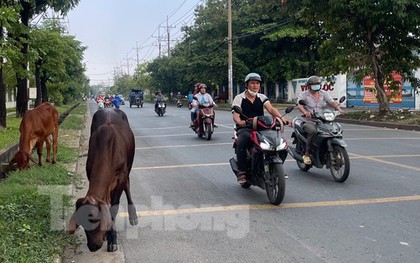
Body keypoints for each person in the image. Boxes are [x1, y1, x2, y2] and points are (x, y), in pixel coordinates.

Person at [232, 73, 290, 184]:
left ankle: (277, 168)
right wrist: (240, 121)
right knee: (242, 141)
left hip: (262, 127)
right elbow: (236, 114)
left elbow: (271, 109)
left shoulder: (262, 97)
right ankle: (242, 171)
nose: (255, 86)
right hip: (246, 127)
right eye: (252, 83)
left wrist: (281, 119)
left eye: (257, 83)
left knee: (282, 145)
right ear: (247, 84)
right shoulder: (239, 98)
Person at [297, 75, 346, 165]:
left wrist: (339, 109)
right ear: (309, 86)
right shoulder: (304, 95)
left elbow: (332, 102)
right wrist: (305, 112)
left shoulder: (324, 93)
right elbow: (299, 105)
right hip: (309, 120)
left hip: (323, 120)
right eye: (314, 84)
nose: (316, 86)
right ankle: (307, 153)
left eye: (318, 84)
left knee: (336, 129)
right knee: (313, 131)